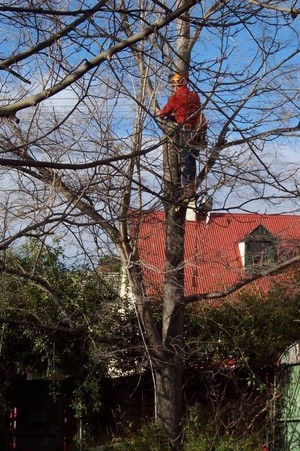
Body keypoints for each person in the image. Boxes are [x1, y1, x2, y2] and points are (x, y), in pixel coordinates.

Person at [156, 73, 207, 198]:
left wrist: (159, 112)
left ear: (174, 85)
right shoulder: (194, 95)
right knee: (192, 160)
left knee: (186, 160)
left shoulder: (175, 98)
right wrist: (175, 116)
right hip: (200, 131)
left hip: (187, 132)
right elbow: (188, 111)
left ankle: (187, 189)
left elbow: (164, 114)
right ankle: (189, 187)